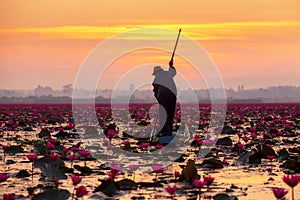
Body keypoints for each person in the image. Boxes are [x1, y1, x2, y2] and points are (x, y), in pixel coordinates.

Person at [152, 60, 177, 137]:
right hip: (173, 95)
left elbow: (156, 93)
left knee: (163, 115)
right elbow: (173, 72)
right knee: (170, 114)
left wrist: (159, 101)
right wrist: (171, 65)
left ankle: (165, 133)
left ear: (156, 73)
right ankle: (169, 132)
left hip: (163, 96)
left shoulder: (155, 80)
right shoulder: (168, 73)